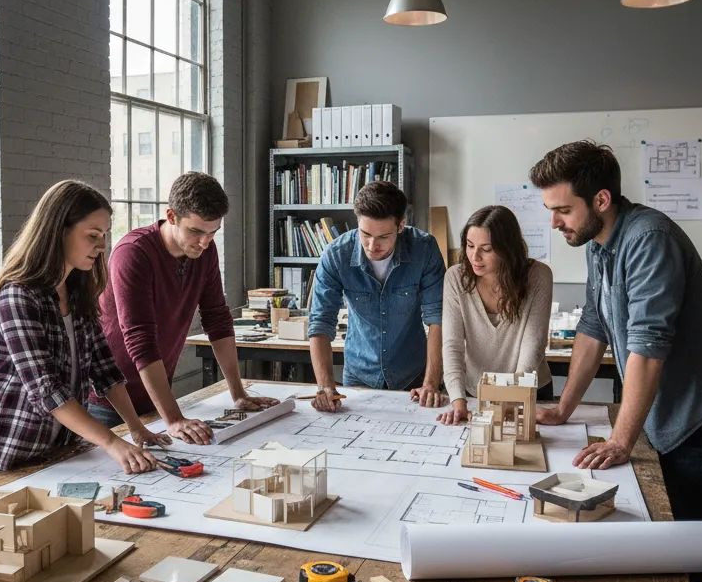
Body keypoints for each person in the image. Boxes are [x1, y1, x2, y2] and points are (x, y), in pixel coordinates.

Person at [529, 140, 702, 582]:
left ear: (601, 198)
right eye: (551, 211)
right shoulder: (599, 242)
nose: (556, 223)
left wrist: (621, 439)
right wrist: (562, 409)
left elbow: (650, 345)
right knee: (660, 554)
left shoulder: (649, 238)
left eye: (563, 209)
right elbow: (593, 328)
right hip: (667, 420)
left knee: (681, 562)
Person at [0, 180, 167, 477]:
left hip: (51, 452)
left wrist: (136, 428)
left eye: (105, 235)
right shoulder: (17, 296)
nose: (102, 245)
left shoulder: (77, 292)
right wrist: (112, 443)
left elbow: (105, 369)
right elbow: (46, 389)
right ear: (58, 231)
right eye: (93, 235)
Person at [89, 172, 277, 444]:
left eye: (213, 233)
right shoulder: (133, 253)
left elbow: (217, 319)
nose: (204, 242)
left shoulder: (204, 251)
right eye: (196, 231)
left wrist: (238, 394)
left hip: (154, 397)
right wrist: (174, 419)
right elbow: (140, 339)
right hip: (109, 402)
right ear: (172, 216)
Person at [307, 180, 446, 412]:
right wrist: (325, 386)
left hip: (413, 376)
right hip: (359, 374)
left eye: (383, 237)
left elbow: (437, 318)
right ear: (357, 221)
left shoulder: (424, 249)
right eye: (365, 234)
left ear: (401, 226)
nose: (372, 246)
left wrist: (430, 383)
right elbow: (320, 323)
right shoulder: (336, 255)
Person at [437, 205, 554, 425]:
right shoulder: (455, 278)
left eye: (486, 249)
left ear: (507, 249)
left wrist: (511, 400)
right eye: (470, 246)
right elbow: (452, 345)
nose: (475, 256)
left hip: (528, 391)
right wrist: (458, 402)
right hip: (475, 392)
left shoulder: (538, 276)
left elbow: (533, 345)